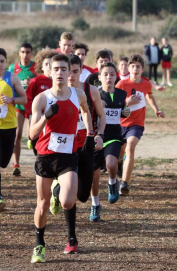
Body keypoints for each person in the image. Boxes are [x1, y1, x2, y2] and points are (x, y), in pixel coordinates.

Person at [29, 54, 96, 263]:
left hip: (68, 155)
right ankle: (39, 244)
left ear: (70, 72)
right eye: (55, 69)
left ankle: (58, 192)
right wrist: (46, 117)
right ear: (49, 71)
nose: (59, 73)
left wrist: (90, 133)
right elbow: (31, 134)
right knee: (42, 203)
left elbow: (86, 111)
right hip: (46, 157)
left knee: (68, 202)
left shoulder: (79, 95)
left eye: (63, 69)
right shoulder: (42, 99)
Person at [56, 54, 105, 218]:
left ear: (81, 71)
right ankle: (58, 192)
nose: (70, 76)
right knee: (69, 178)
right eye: (68, 71)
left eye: (75, 72)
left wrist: (99, 135)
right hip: (65, 142)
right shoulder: (57, 92)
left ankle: (62, 190)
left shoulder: (91, 91)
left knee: (83, 194)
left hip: (86, 141)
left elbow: (101, 115)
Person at [0, 48, 27, 212]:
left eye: (2, 61)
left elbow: (25, 98)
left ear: (5, 63)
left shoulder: (12, 78)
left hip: (9, 126)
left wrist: (12, 99)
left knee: (3, 162)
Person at [116, 54, 165, 196]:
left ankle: (124, 183)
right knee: (121, 150)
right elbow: (115, 103)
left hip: (136, 124)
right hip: (120, 124)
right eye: (132, 66)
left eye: (138, 67)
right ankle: (119, 163)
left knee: (130, 148)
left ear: (142, 69)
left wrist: (156, 109)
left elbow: (149, 95)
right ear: (128, 69)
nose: (135, 69)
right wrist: (127, 102)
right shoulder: (122, 84)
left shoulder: (146, 84)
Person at [90, 62, 130, 222]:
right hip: (96, 137)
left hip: (114, 135)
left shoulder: (121, 94)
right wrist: (96, 106)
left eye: (112, 74)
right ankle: (95, 204)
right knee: (95, 175)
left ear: (116, 76)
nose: (109, 77)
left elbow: (122, 111)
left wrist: (125, 112)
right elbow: (89, 113)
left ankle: (113, 182)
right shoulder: (95, 94)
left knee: (112, 164)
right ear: (99, 77)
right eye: (105, 74)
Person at [8, 42, 37, 176]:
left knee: (31, 135)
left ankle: (36, 153)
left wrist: (31, 82)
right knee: (17, 134)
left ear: (31, 53)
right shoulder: (13, 68)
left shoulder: (36, 68)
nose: (25, 55)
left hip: (33, 105)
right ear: (19, 53)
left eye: (28, 52)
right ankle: (16, 165)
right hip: (19, 105)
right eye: (23, 52)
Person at [24, 49, 58, 154]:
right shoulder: (36, 81)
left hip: (54, 119)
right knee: (37, 144)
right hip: (38, 117)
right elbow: (27, 99)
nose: (48, 66)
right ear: (41, 67)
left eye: (50, 64)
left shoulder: (58, 81)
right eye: (46, 64)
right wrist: (31, 115)